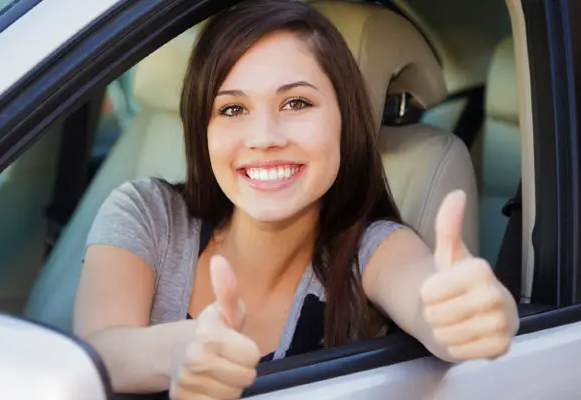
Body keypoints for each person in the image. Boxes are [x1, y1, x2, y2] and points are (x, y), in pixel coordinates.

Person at [72, 1, 520, 399]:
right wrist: (181, 352)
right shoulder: (148, 214)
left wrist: (467, 312)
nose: (264, 138)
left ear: (346, 122)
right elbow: (98, 351)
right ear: (201, 130)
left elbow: (427, 297)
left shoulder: (374, 249)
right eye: (232, 109)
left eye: (297, 103)